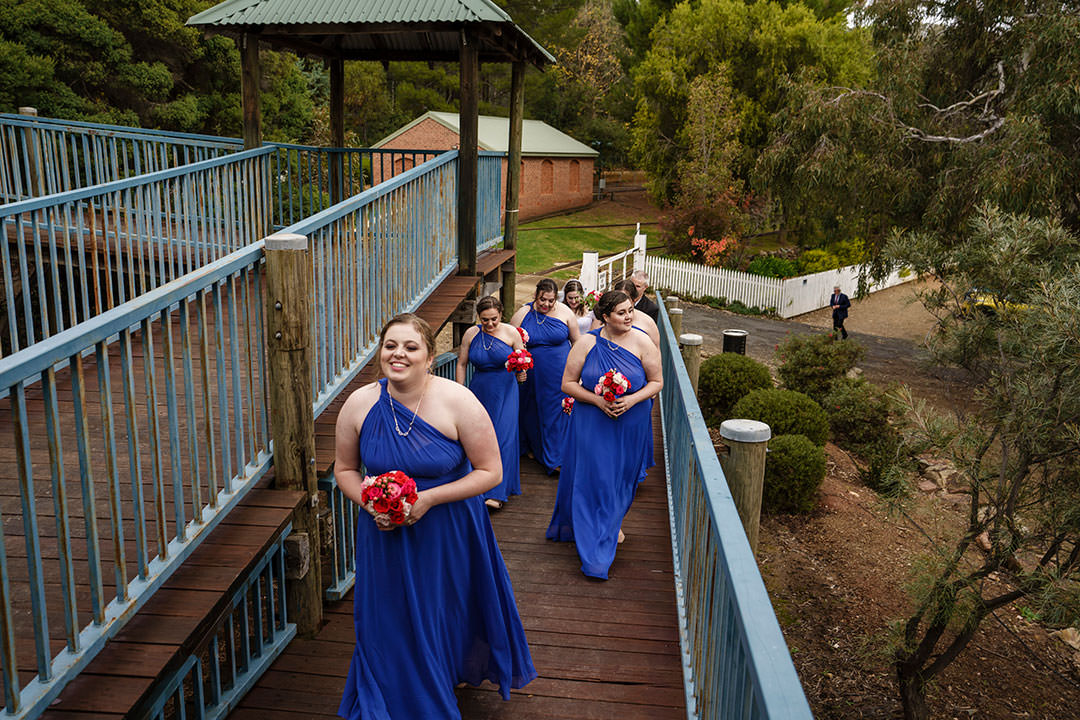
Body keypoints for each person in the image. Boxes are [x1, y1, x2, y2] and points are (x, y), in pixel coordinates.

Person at [334, 313, 536, 719]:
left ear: (429, 357)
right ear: (380, 353)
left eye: (411, 347)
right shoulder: (359, 404)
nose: (399, 354)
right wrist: (371, 502)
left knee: (444, 607)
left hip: (448, 528)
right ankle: (394, 688)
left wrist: (428, 500)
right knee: (390, 616)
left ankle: (446, 668)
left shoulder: (457, 400)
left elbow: (490, 472)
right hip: (385, 532)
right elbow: (345, 470)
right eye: (391, 345)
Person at [546, 291, 663, 579]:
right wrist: (597, 400)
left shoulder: (642, 341)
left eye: (630, 310)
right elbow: (567, 384)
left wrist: (633, 399)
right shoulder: (587, 343)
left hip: (631, 422)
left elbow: (657, 381)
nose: (629, 316)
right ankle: (595, 552)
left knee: (622, 479)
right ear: (606, 317)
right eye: (621, 312)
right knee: (595, 478)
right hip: (592, 422)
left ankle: (611, 522)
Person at [457, 296, 525, 510]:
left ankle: (497, 492)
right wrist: (460, 391)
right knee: (478, 437)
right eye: (485, 320)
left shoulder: (511, 333)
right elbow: (461, 363)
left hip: (505, 389)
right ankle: (476, 485)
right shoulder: (471, 334)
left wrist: (522, 373)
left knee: (503, 436)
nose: (490, 324)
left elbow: (522, 361)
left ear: (501, 314)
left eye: (493, 319)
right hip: (479, 389)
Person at [512, 278, 580, 474]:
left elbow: (578, 343)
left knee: (555, 412)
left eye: (551, 301)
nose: (547, 305)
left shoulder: (565, 312)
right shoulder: (523, 314)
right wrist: (519, 368)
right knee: (531, 410)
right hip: (530, 375)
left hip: (558, 373)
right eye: (543, 300)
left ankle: (555, 457)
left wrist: (577, 372)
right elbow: (510, 342)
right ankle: (533, 447)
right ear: (535, 295)